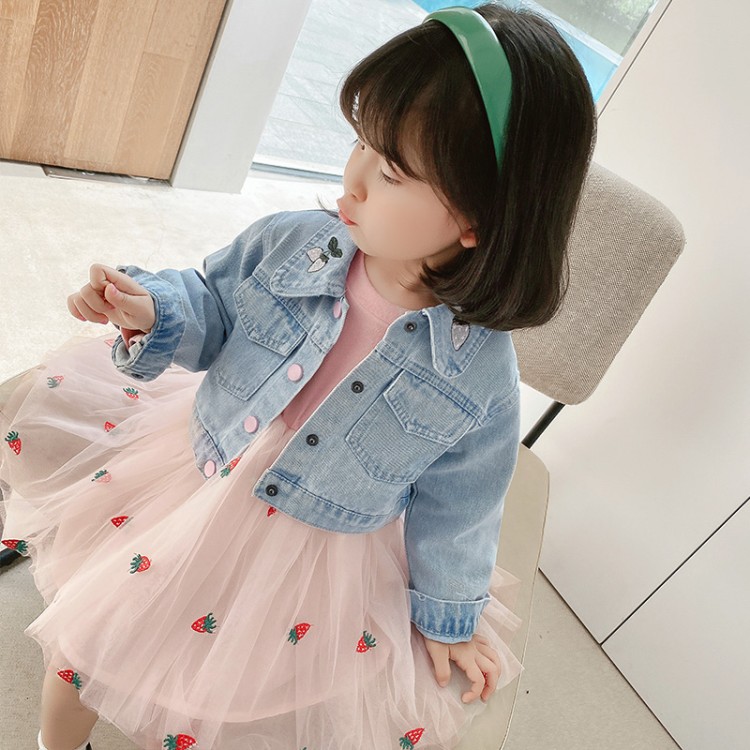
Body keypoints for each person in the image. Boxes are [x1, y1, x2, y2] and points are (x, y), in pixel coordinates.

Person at [0, 4, 596, 749]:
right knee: (89, 640)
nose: (355, 178)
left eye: (391, 170)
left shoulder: (477, 376)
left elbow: (462, 503)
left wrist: (450, 615)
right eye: (361, 141)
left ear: (483, 218)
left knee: (224, 687)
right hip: (203, 465)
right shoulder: (293, 244)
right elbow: (214, 304)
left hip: (317, 546)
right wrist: (153, 311)